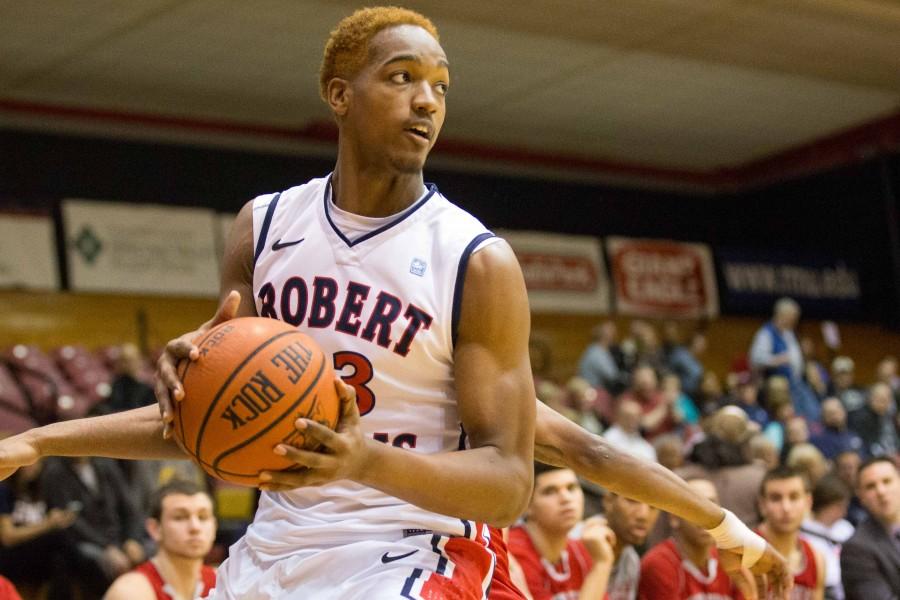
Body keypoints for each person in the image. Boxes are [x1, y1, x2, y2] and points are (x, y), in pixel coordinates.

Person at [0, 6, 792, 598]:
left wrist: (721, 523)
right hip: (276, 549)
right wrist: (37, 443)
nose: (427, 101)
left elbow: (515, 479)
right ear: (339, 95)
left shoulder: (475, 261)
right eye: (403, 77)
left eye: (440, 86)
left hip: (422, 552)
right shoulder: (266, 226)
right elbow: (219, 423)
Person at [40, 456, 146, 598]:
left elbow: (129, 508)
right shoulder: (55, 472)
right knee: (97, 560)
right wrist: (107, 547)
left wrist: (131, 539)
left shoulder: (106, 465)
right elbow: (71, 522)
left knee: (154, 550)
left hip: (119, 538)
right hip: (85, 542)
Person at [508, 463, 615, 599]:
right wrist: (602, 563)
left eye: (571, 488)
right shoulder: (512, 553)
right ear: (526, 505)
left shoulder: (581, 550)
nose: (566, 498)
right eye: (550, 491)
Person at [105, 480, 217, 600]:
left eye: (203, 517)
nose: (195, 527)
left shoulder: (224, 581)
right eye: (180, 517)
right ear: (155, 529)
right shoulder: (130, 591)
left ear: (215, 526)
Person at [638, 478, 745, 599]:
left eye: (712, 505)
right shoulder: (658, 564)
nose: (706, 515)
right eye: (694, 506)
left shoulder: (731, 562)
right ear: (674, 517)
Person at [0, 460, 78, 600]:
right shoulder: (4, 490)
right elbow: (8, 537)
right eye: (28, 461)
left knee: (59, 559)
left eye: (36, 462)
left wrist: (57, 519)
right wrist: (46, 524)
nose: (31, 466)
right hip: (11, 554)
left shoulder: (39, 490)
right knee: (59, 541)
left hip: (38, 555)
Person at [757, 467, 825, 600]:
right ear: (762, 505)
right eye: (776, 498)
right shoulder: (744, 551)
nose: (786, 508)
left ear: (808, 502)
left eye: (794, 497)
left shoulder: (816, 559)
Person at [839, 457, 900, 597]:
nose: (881, 491)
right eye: (870, 486)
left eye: (887, 481)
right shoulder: (856, 549)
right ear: (860, 496)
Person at [799, 476, 853, 600]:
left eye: (845, 506)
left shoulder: (846, 528)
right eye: (839, 506)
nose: (844, 512)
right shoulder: (802, 531)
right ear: (824, 504)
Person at [602, 491, 658, 600]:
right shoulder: (574, 546)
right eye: (632, 500)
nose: (643, 515)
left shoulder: (632, 561)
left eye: (653, 506)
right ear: (608, 501)